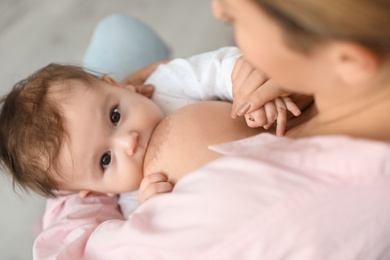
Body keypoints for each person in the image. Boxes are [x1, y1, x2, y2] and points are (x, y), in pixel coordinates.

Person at [33, 0, 390, 257]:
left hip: (84, 203)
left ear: (347, 59)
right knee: (115, 39)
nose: (218, 9)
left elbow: (69, 247)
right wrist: (310, 77)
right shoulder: (347, 93)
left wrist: (83, 195)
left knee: (118, 37)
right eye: (106, 159)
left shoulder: (250, 223)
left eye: (237, 19)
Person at [0, 16, 301, 217]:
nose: (129, 142)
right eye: (105, 160)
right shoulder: (133, 201)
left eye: (115, 116)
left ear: (119, 85)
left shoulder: (166, 83)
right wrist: (152, 214)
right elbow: (144, 244)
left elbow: (217, 68)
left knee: (118, 28)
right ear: (92, 191)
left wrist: (247, 89)